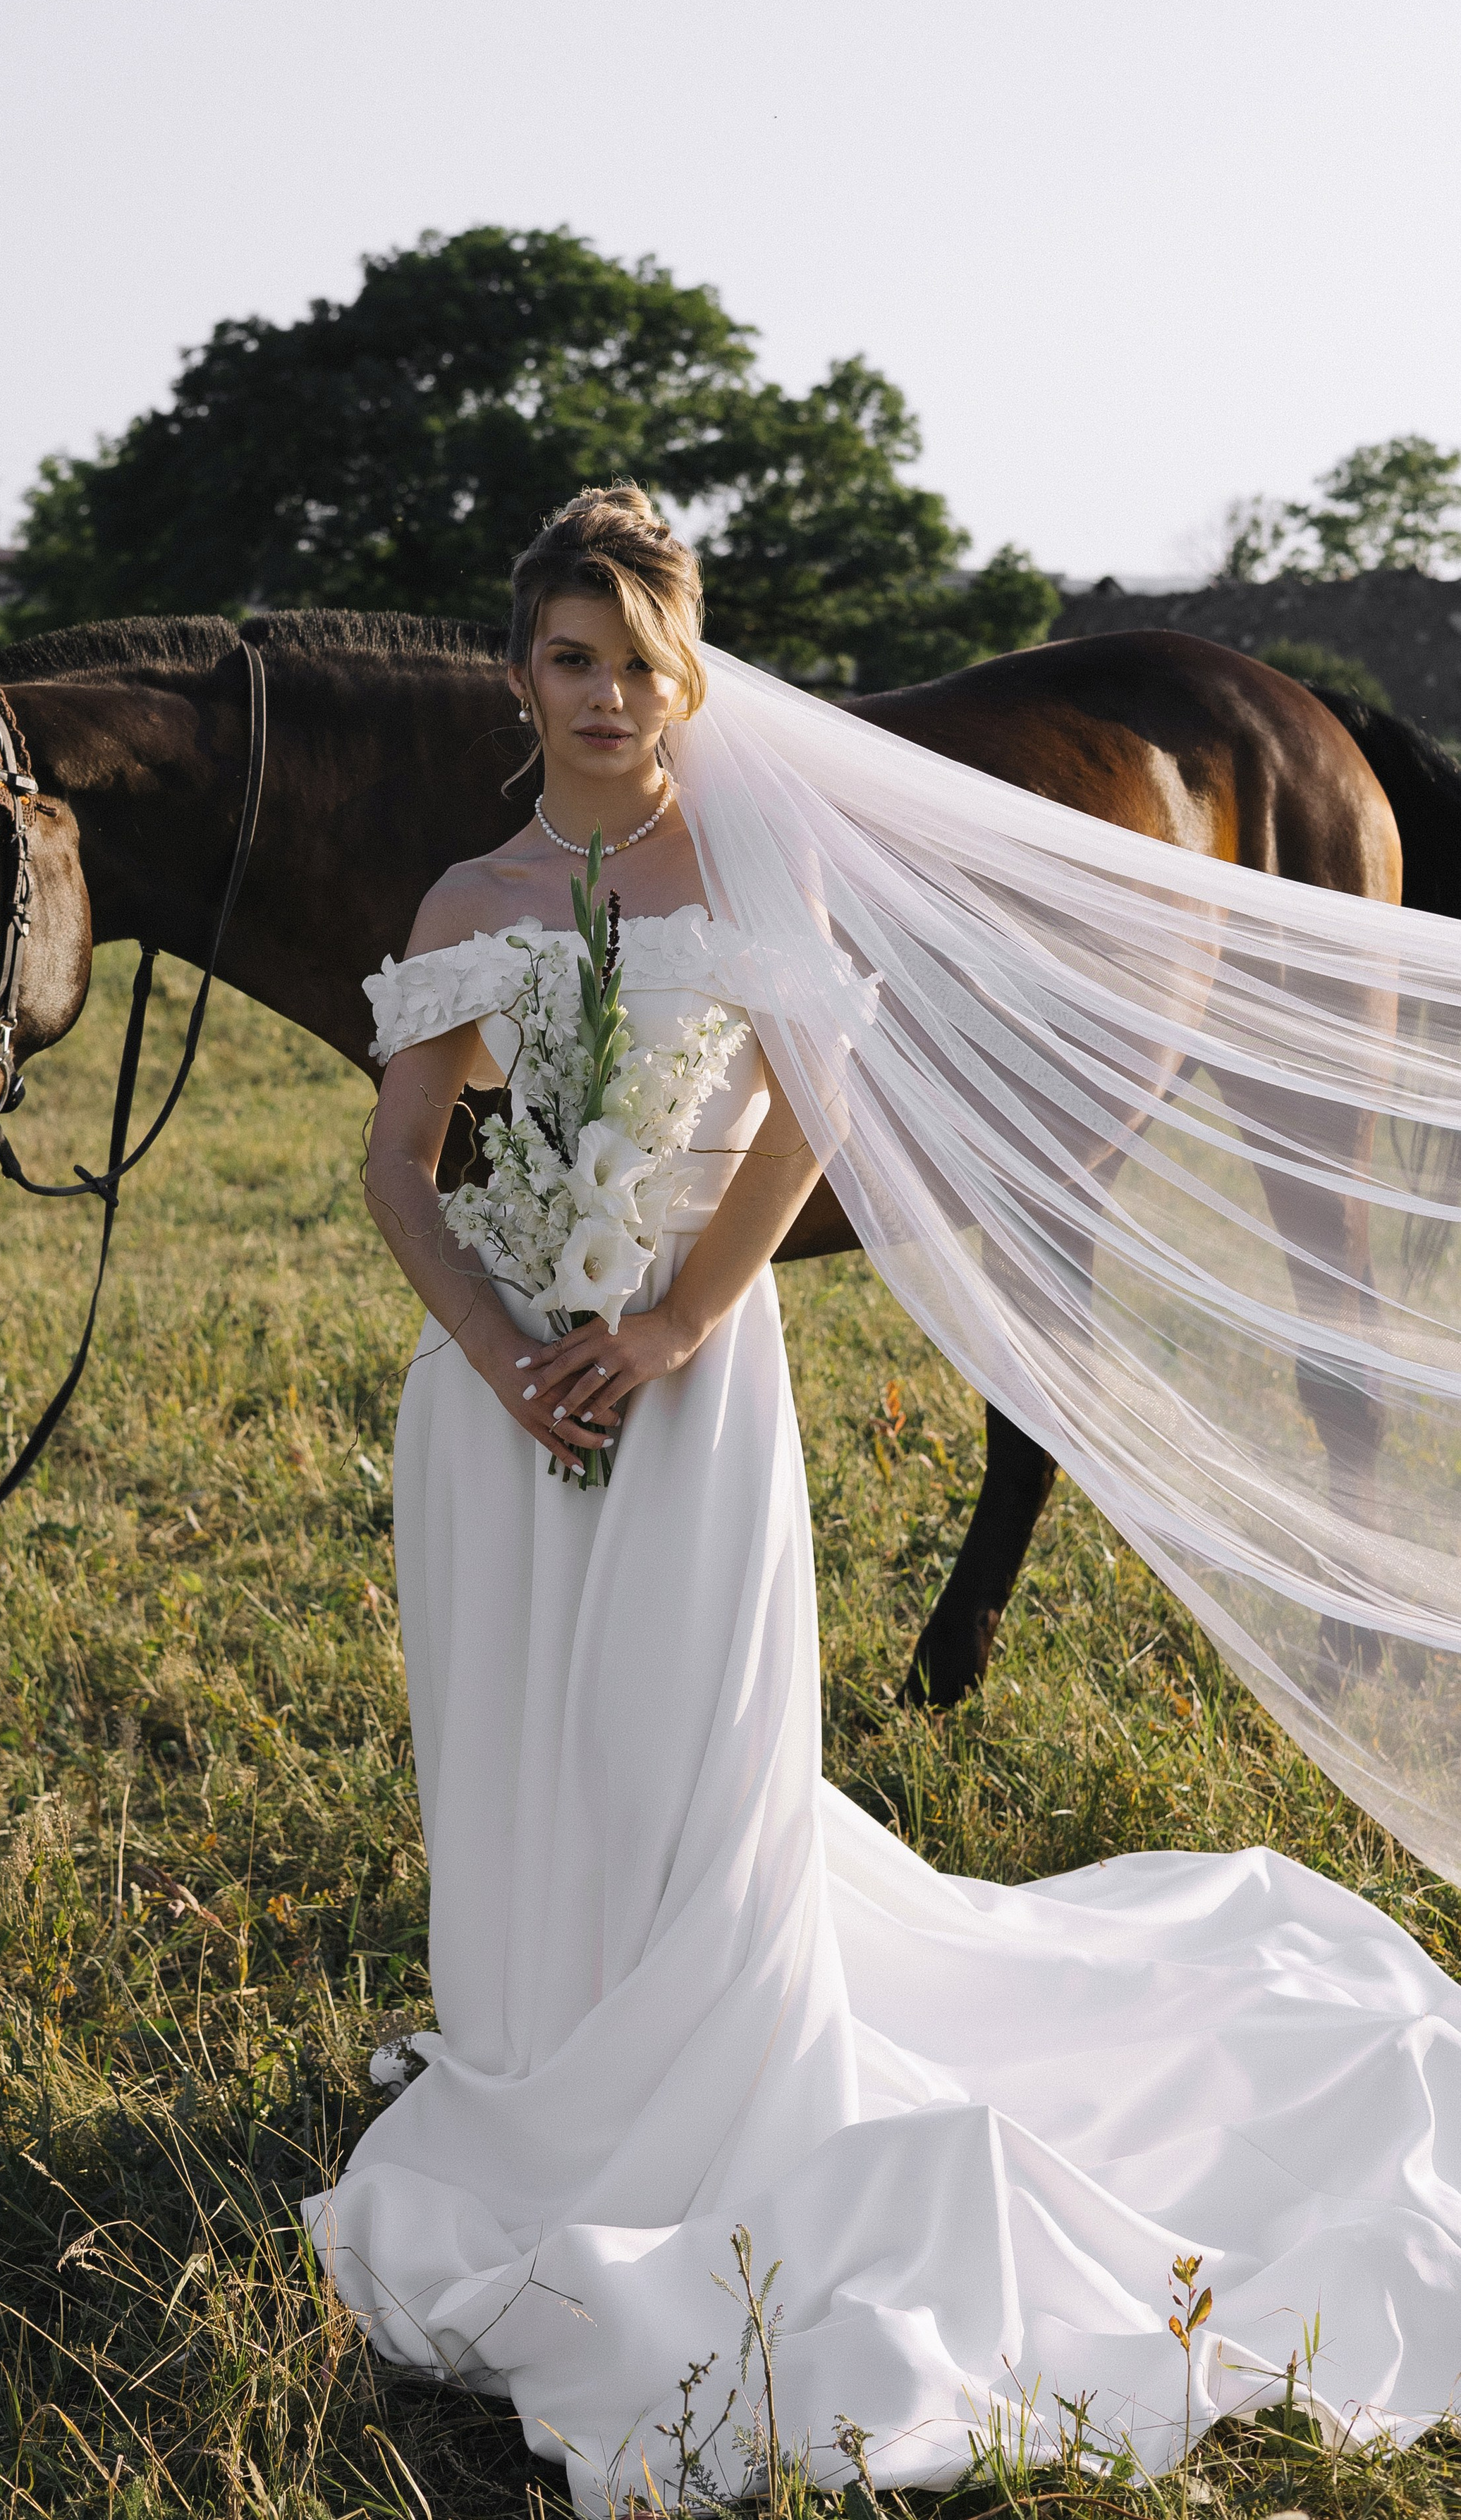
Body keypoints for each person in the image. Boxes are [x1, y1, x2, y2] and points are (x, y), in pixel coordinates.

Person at [307, 488, 1461, 2514]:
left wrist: (667, 1322)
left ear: (692, 679)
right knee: (518, 1750)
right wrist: (504, 1348)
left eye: (638, 664)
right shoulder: (468, 896)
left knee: (679, 1739)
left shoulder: (747, 858)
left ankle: (704, 2077)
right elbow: (407, 1160)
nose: (602, 698)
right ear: (519, 674)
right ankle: (541, 2055)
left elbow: (811, 1116)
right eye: (566, 660)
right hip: (493, 1398)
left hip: (685, 1382)